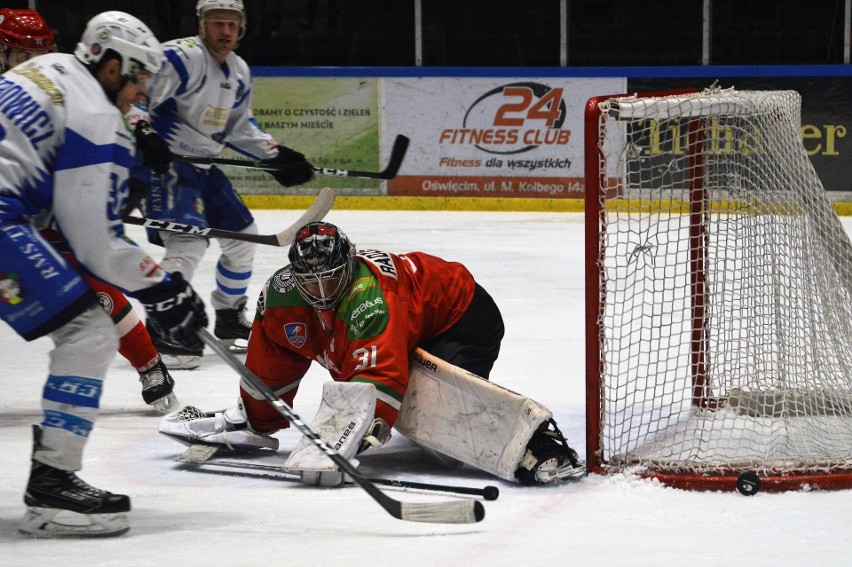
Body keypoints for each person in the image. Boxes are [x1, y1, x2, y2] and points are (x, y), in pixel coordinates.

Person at [160, 222, 584, 486]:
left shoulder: (369, 297)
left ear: (350, 264)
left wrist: (354, 437)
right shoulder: (282, 294)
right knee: (409, 411)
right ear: (294, 276)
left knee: (436, 430)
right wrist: (259, 418)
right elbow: (272, 359)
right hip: (413, 318)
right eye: (312, 282)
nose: (322, 292)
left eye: (331, 279)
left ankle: (537, 444)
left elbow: (379, 375)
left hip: (461, 315)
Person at [0, 11, 207, 537]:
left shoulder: (46, 68)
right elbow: (97, 247)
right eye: (138, 79)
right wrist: (164, 288)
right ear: (112, 66)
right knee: (89, 330)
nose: (142, 94)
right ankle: (54, 484)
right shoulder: (95, 116)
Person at [0, 6, 179, 413]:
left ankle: (149, 363)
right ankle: (54, 472)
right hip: (21, 209)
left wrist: (145, 132)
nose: (33, 64)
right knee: (86, 318)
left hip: (35, 204)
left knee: (91, 284)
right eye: (22, 57)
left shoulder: (66, 79)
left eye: (41, 51)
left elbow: (112, 108)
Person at [132, 0, 314, 369]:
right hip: (167, 164)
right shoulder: (179, 56)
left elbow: (237, 127)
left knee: (244, 238)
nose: (225, 31)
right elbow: (137, 95)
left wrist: (275, 156)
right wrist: (143, 134)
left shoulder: (239, 71)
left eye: (232, 24)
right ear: (202, 25)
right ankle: (165, 330)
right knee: (187, 243)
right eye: (218, 23)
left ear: (241, 28)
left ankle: (229, 317)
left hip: (201, 164)